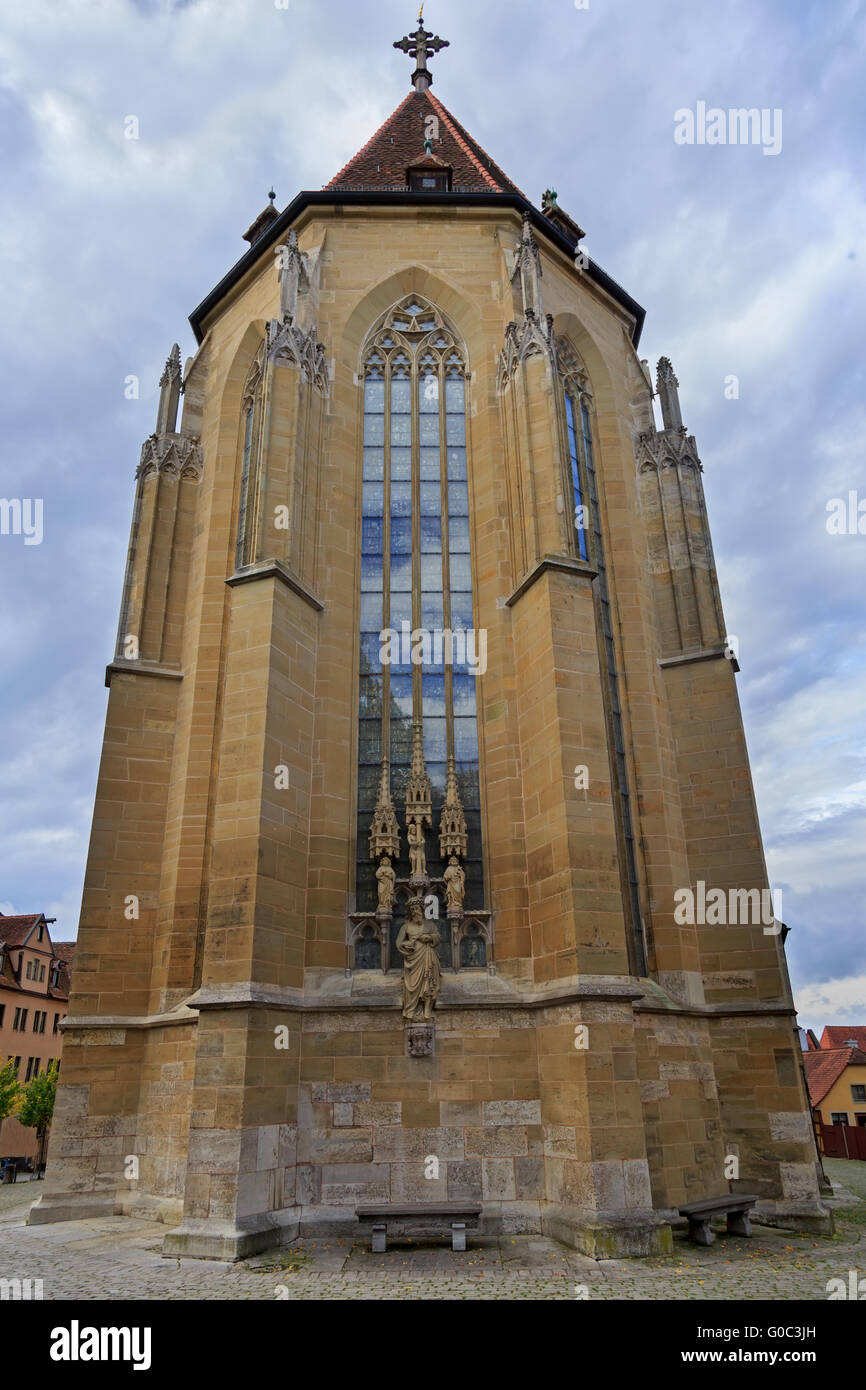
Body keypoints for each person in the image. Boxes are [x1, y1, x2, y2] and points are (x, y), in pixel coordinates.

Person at [396, 895, 440, 1021]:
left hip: (428, 956)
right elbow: (399, 943)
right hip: (413, 960)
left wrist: (430, 938)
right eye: (413, 909)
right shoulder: (406, 927)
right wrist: (407, 945)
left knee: (429, 982)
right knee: (411, 986)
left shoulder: (430, 925)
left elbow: (438, 937)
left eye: (417, 909)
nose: (415, 911)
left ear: (422, 909)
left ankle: (427, 1009)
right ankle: (411, 1010)